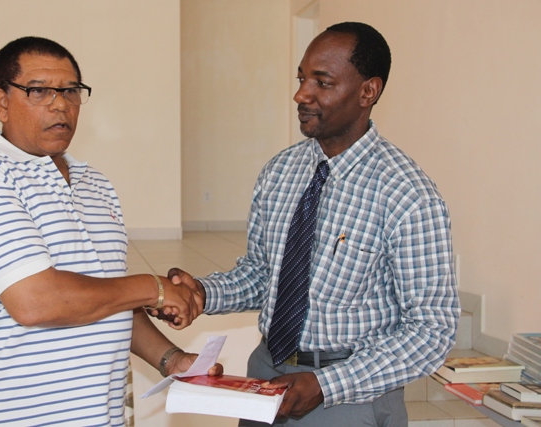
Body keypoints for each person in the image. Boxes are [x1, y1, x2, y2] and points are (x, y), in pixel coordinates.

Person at [162, 22, 459, 426]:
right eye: (302, 78)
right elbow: (263, 275)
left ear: (367, 91)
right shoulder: (281, 171)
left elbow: (431, 330)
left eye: (322, 82)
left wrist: (327, 384)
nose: (302, 94)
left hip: (350, 396)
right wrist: (203, 293)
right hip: (266, 375)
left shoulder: (406, 195)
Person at [0, 36, 216, 426]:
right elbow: (37, 302)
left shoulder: (95, 183)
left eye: (70, 91)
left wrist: (172, 359)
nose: (59, 103)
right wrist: (153, 286)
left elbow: (104, 296)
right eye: (38, 91)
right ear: (2, 102)